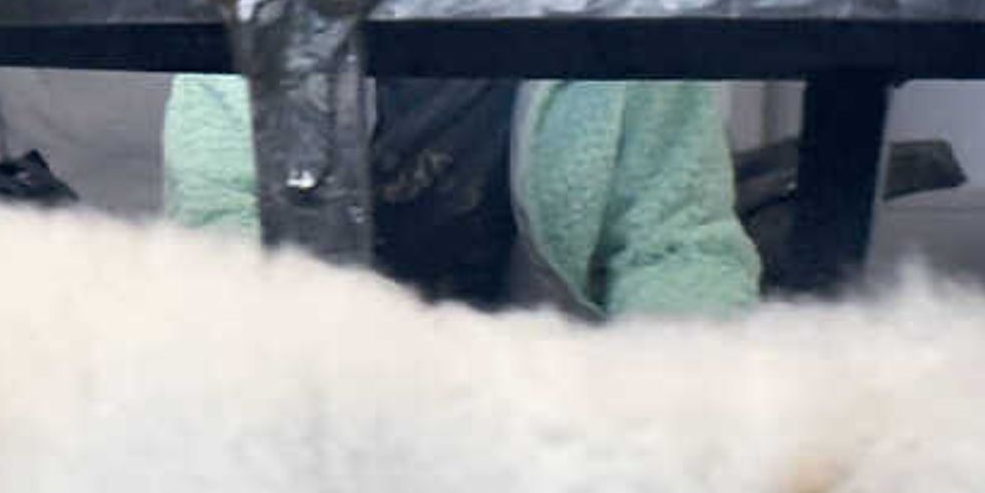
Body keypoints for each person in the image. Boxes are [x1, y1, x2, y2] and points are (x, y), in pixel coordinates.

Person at [161, 71, 759, 317]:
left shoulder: (620, 13)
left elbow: (679, 250)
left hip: (552, 406)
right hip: (318, 406)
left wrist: (660, 435)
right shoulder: (256, 29)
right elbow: (216, 255)